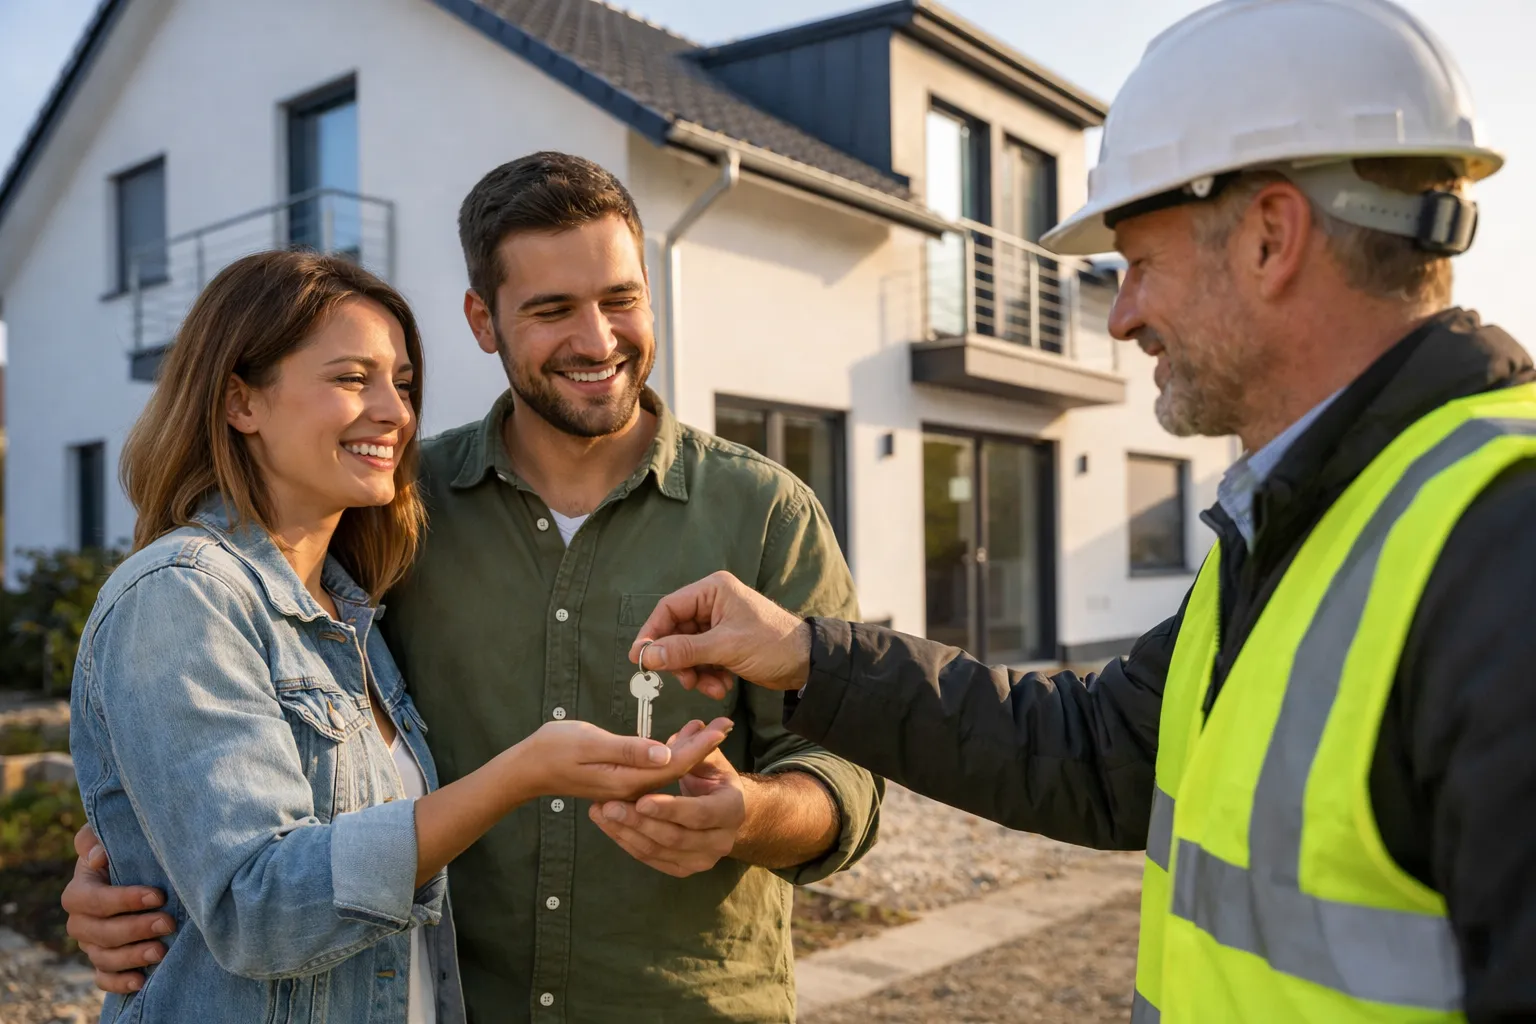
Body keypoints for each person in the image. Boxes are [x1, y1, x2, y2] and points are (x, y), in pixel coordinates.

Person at [616, 2, 1536, 1021]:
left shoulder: (1501, 540)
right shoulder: (1314, 519)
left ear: (1272, 238)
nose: (1126, 311)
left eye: (1140, 262)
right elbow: (1098, 750)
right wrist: (804, 654)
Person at [65, 154, 880, 1023]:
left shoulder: (765, 513)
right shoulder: (400, 517)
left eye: (620, 299)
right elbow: (246, 816)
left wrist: (749, 814)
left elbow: (847, 773)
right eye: (552, 309)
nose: (598, 340)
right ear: (482, 321)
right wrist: (135, 862)